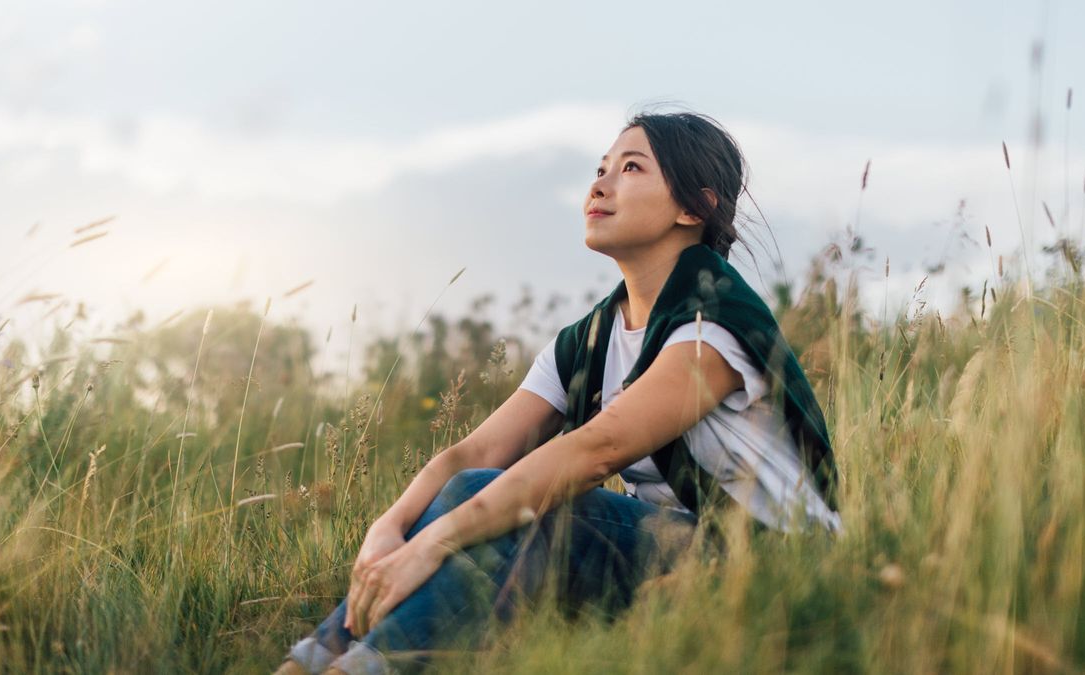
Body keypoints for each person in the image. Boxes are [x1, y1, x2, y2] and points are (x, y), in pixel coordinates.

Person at [276, 109, 841, 674]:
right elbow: (474, 453)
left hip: (768, 566)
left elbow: (600, 450)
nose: (600, 184)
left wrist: (434, 542)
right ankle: (316, 665)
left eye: (632, 168)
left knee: (509, 506)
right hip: (671, 556)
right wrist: (390, 528)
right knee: (476, 490)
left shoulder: (714, 321)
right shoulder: (590, 339)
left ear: (693, 208)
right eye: (601, 168)